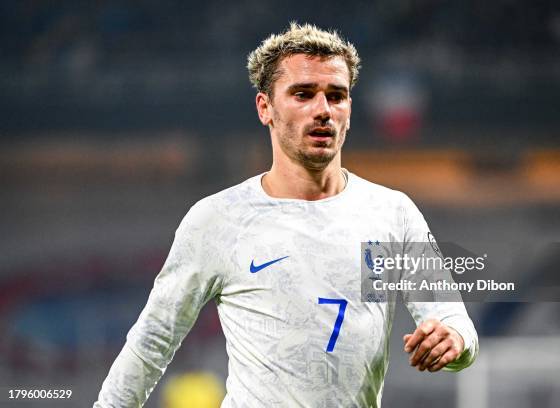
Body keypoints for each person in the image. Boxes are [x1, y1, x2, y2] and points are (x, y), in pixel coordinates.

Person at [94, 22, 478, 408]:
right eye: (303, 94)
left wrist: (454, 340)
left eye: (336, 95)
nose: (323, 110)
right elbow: (152, 340)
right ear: (265, 108)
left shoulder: (391, 213)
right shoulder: (218, 219)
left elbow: (454, 322)